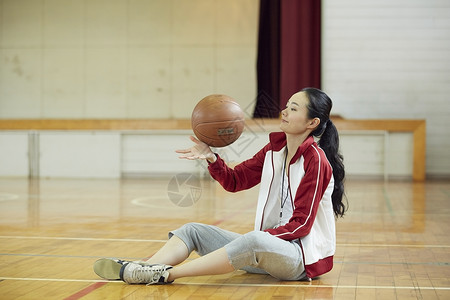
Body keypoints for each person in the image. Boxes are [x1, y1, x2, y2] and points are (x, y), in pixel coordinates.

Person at [93, 87, 346, 285]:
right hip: (265, 251)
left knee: (254, 240)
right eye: (286, 106)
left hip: (300, 261)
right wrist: (211, 157)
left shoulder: (317, 161)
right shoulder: (274, 151)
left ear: (312, 123)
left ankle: (167, 275)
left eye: (293, 108)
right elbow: (235, 181)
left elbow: (301, 224)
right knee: (193, 230)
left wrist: (256, 240)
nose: (285, 111)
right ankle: (141, 269)